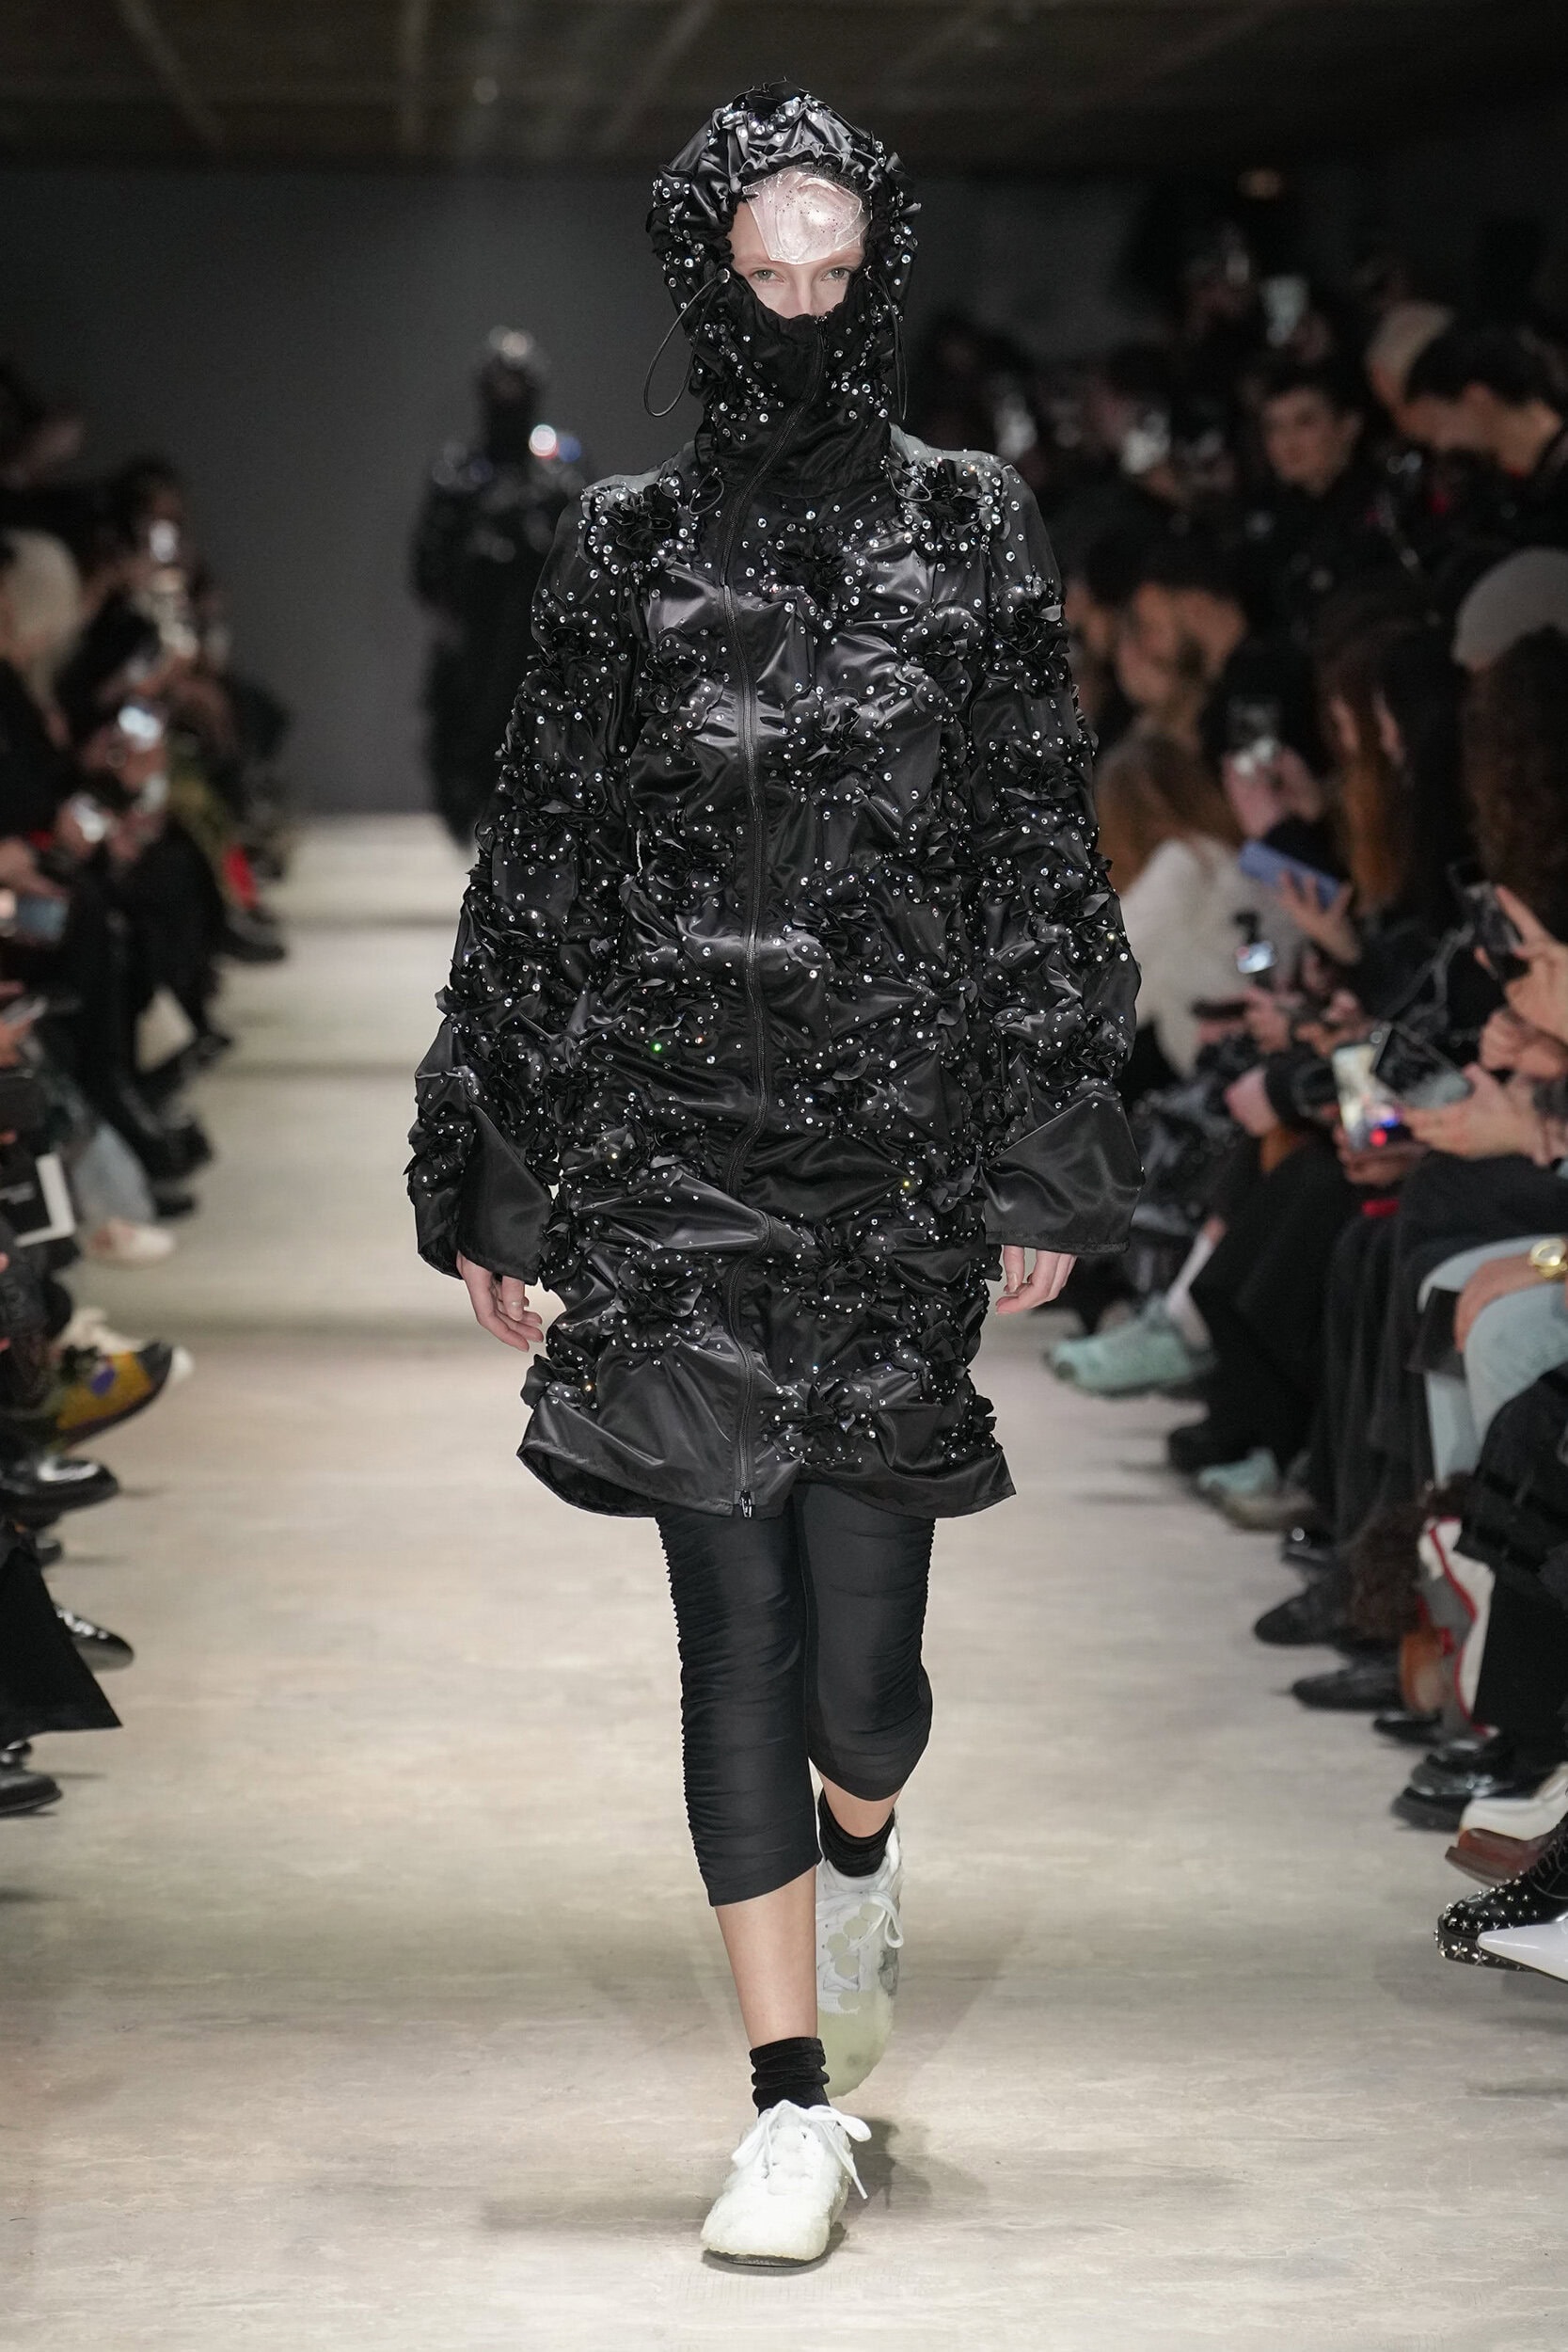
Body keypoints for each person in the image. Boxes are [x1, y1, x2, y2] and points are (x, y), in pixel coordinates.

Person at [408, 84, 1139, 2267]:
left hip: (894, 1150)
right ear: (703, 275)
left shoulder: (972, 524)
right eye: (764, 271)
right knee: (729, 1620)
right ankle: (784, 2100)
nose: (800, 310)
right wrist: (501, 1152)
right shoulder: (622, 543)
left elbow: (1029, 829)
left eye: (834, 273)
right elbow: (544, 847)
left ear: (878, 274)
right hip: (673, 1150)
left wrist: (1045, 1139)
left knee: (862, 1679)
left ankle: (864, 1842)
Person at [411, 329, 584, 845]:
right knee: (468, 741)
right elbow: (426, 564)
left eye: (517, 386)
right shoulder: (458, 475)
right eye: (499, 387)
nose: (508, 399)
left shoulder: (559, 472)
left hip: (542, 643)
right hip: (475, 643)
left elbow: (588, 555)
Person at [1403, 323, 1568, 549]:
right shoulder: (1523, 489)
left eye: (1437, 423)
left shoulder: (1553, 483)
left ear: (1477, 399)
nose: (1442, 444)